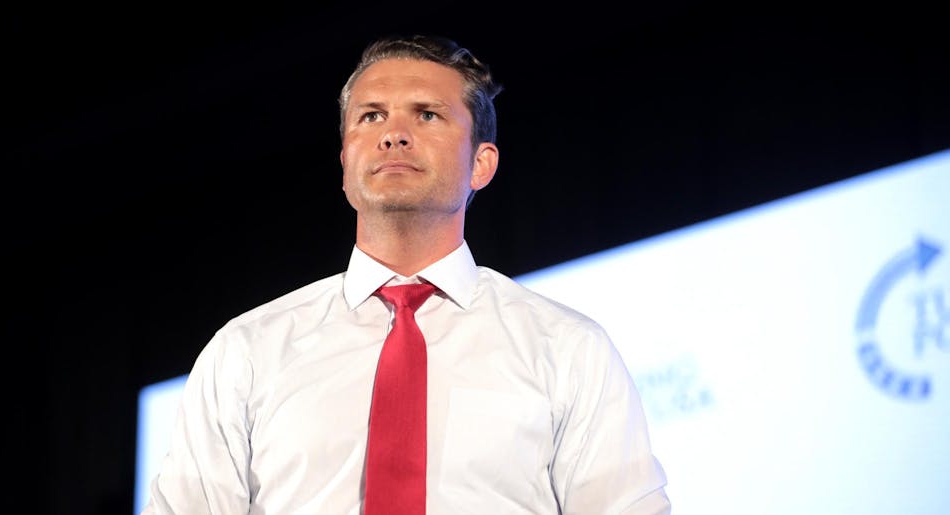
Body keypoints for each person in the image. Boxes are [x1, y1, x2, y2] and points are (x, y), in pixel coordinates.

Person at [143, 34, 670, 514]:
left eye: (426, 115)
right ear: (346, 161)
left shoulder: (566, 348)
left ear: (480, 164)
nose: (393, 134)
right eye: (371, 117)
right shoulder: (246, 352)